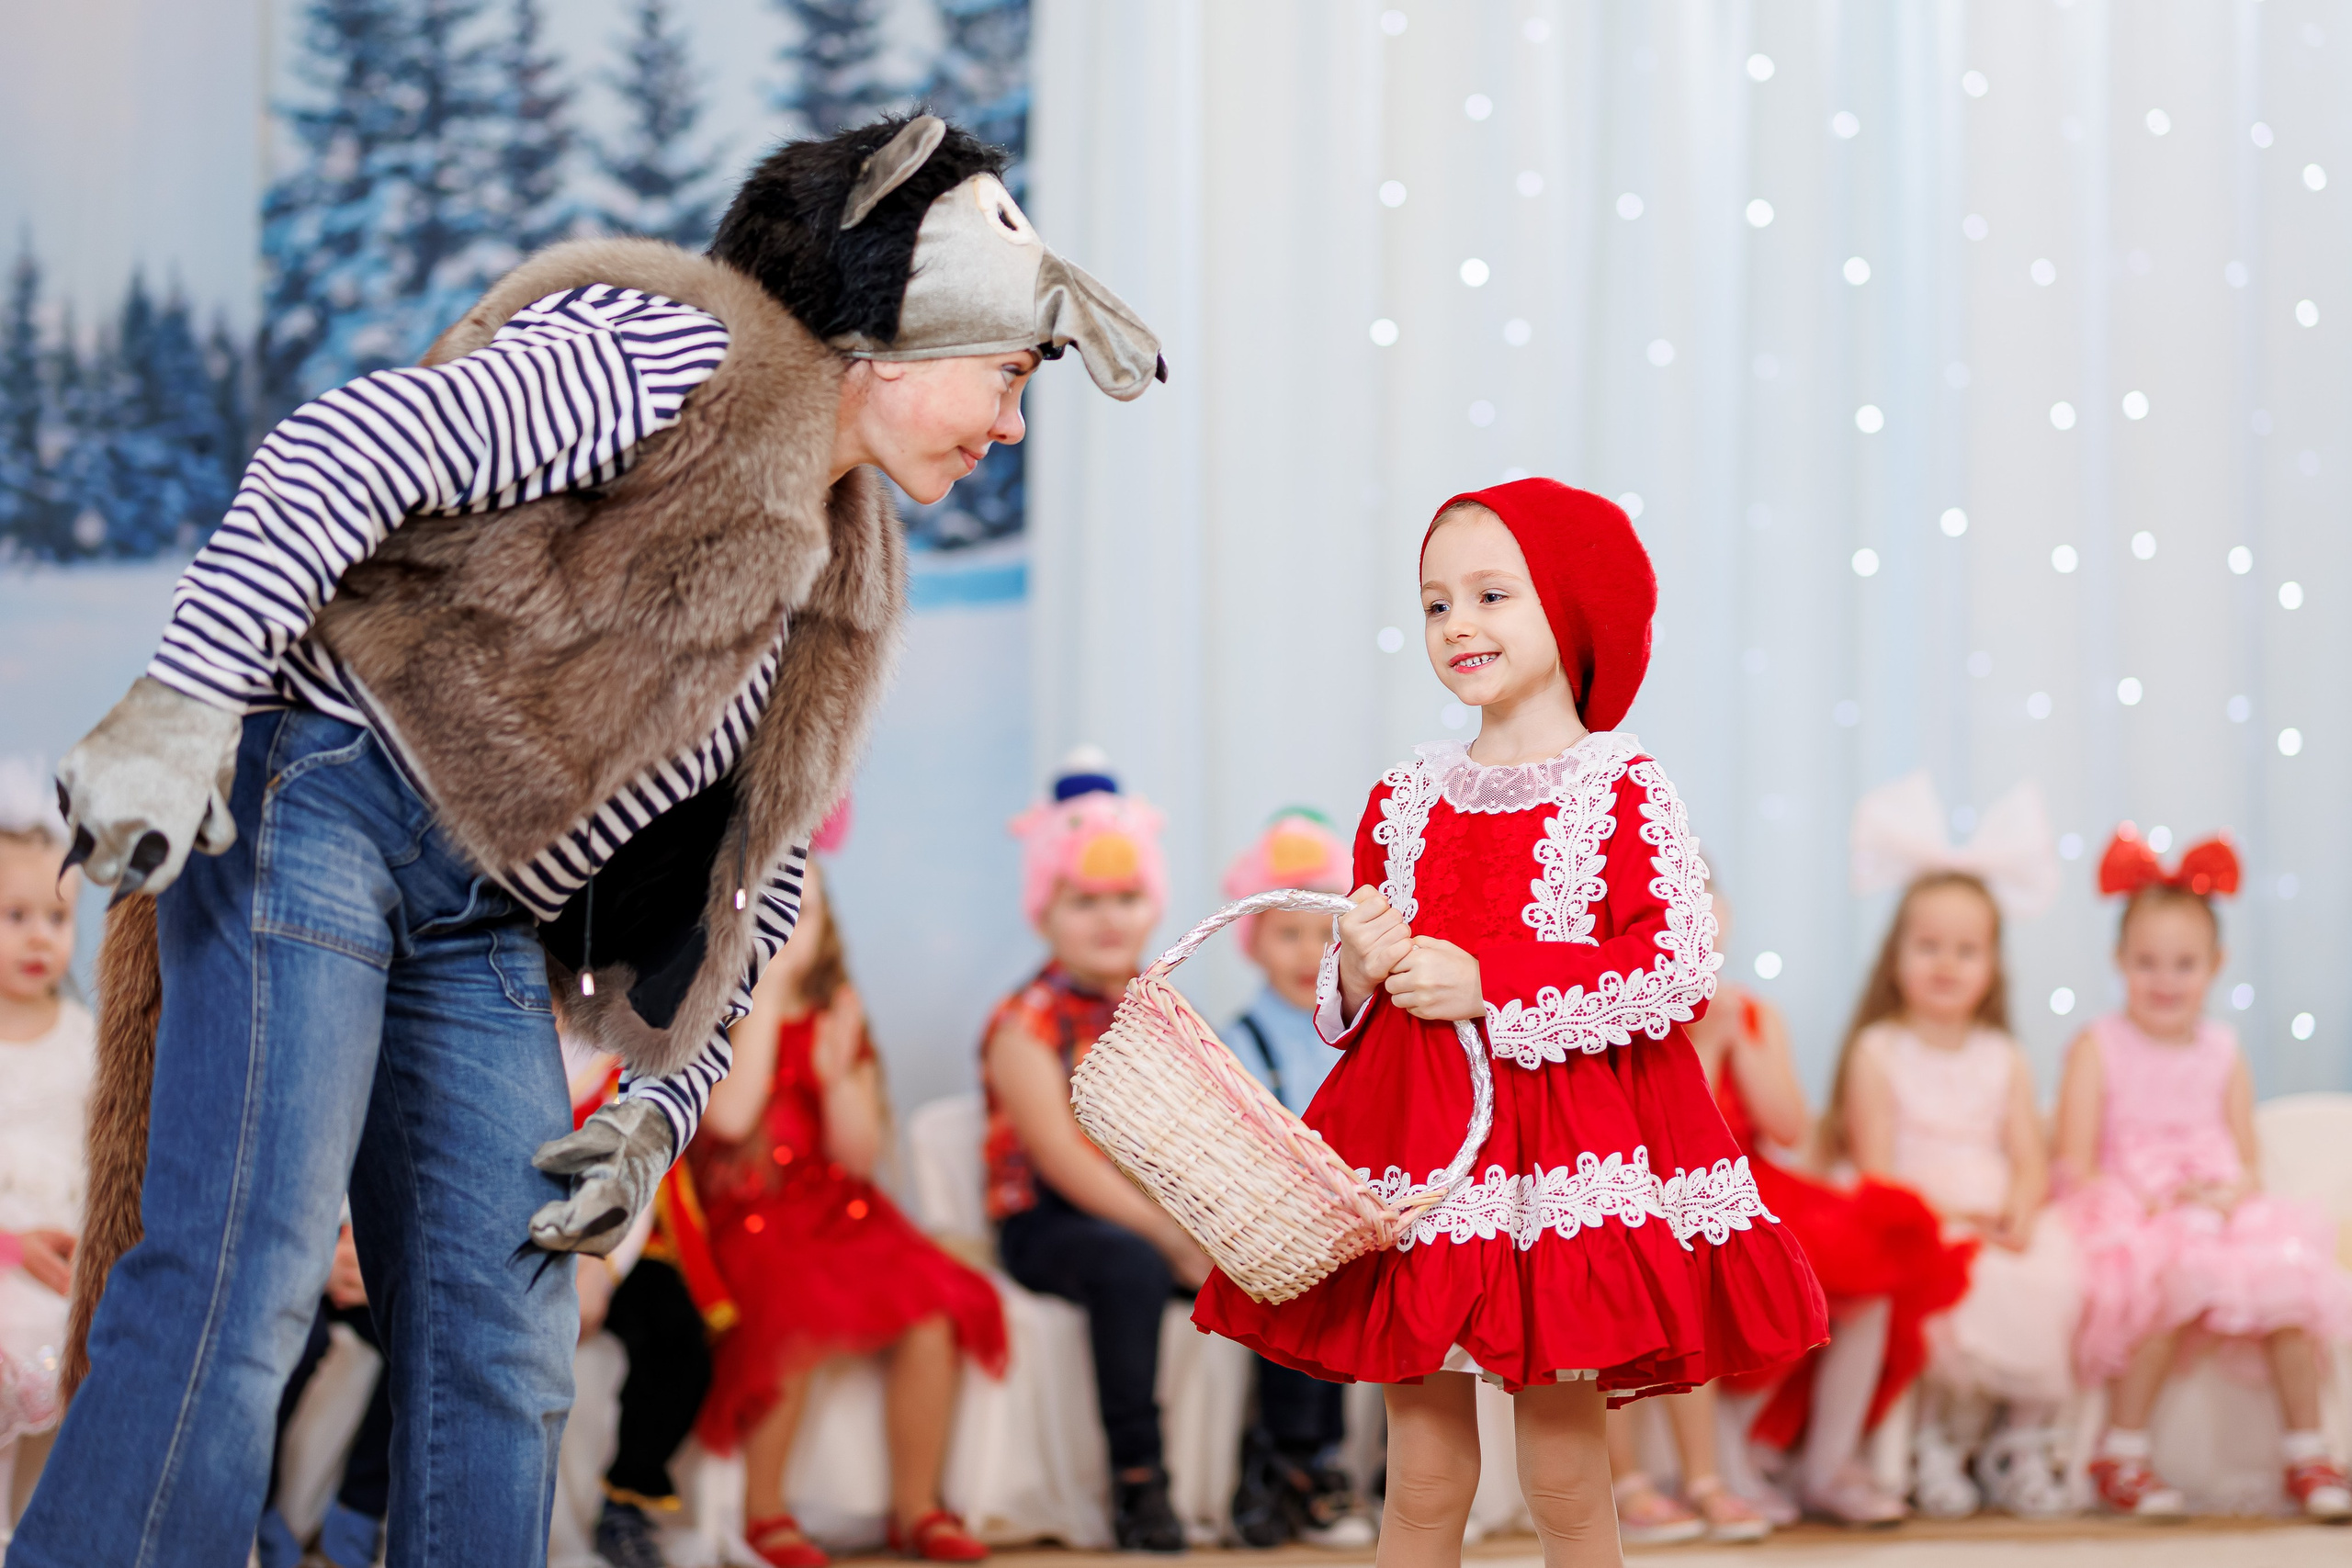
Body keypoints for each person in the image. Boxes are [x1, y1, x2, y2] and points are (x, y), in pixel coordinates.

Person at [28, 111, 1163, 1567]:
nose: (1010, 423)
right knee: (245, 1279)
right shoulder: (673, 350)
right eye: (1009, 373)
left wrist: (662, 1105)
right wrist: (188, 698)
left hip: (481, 911)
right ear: (896, 324)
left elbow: (757, 872)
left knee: (509, 1329)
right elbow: (343, 445)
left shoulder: (847, 570)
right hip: (332, 789)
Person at [1194, 479, 1827, 1568]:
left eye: (1492, 594)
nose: (1458, 625)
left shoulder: (1620, 787)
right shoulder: (1404, 795)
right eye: (1436, 603)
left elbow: (1673, 966)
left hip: (1561, 1160)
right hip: (1421, 1154)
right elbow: (1354, 998)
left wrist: (1491, 982)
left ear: (1570, 606)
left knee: (1567, 1475)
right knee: (1422, 1472)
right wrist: (1359, 963)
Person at [691, 857, 1007, 1568]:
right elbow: (731, 1119)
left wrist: (836, 1080)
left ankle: (916, 1506)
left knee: (933, 1313)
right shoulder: (709, 1018)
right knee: (794, 1310)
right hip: (748, 1217)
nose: (780, 931)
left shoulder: (837, 1014)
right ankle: (765, 1511)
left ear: (825, 925)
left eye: (797, 913)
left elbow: (858, 1156)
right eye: (761, 915)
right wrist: (768, 992)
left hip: (840, 1207)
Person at [2055, 827, 2352, 1522]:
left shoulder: (2223, 1050)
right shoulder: (2100, 1045)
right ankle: (2121, 1453)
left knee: (2289, 1282)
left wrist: (2228, 1194)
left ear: (2215, 965)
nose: (2166, 980)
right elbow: (2076, 1159)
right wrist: (2149, 1202)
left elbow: (2247, 1158)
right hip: (2136, 1209)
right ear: (2119, 961)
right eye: (2147, 962)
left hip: (2220, 1208)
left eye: (2184, 964)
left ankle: (2309, 1453)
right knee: (2173, 1277)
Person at [981, 759, 1204, 1552]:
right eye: (1084, 901)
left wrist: (1209, 1227)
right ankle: (1139, 1477)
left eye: (1127, 897)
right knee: (1128, 1264)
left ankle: (1288, 1460)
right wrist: (1170, 1237)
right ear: (1045, 912)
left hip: (1148, 1205)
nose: (1109, 919)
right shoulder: (1026, 1019)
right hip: (1050, 1219)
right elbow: (1060, 1155)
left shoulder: (1161, 1011)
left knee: (1277, 1261)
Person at [1830, 870, 2077, 1519]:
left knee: (2049, 1275)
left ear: (1992, 967)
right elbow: (1876, 1169)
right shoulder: (1877, 1049)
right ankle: (1931, 1440)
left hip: (1995, 1212)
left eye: (1966, 950)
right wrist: (1948, 1217)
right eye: (1929, 945)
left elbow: (2028, 1157)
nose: (1946, 963)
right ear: (1896, 957)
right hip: (1915, 1213)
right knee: (1944, 1284)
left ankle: (2018, 1442)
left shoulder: (2005, 1055)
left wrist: (2022, 1211)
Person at [1216, 811, 1375, 1550]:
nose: (1310, 952)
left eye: (1323, 934)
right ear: (1253, 940)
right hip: (1279, 1219)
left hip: (1365, 1212)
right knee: (1307, 1279)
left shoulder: (1361, 1030)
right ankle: (1303, 1460)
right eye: (1288, 934)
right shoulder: (1239, 1039)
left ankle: (1407, 1465)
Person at [562, 1033, 729, 1568]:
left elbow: (640, 1164)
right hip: (516, 1221)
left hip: (623, 1237)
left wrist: (600, 1266)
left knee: (679, 1342)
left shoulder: (630, 1044)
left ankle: (625, 1502)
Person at [0, 770, 91, 1544]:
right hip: (3, 1260)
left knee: (62, 1447)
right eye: (15, 915)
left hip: (66, 1268)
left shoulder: (86, 1040)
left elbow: (105, 1165)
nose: (40, 936)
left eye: (57, 917)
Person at [255, 1223, 392, 1568]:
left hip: (364, 1252)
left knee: (412, 1340)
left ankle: (357, 1517)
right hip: (300, 1251)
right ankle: (260, 1505)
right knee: (304, 1339)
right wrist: (320, 1263)